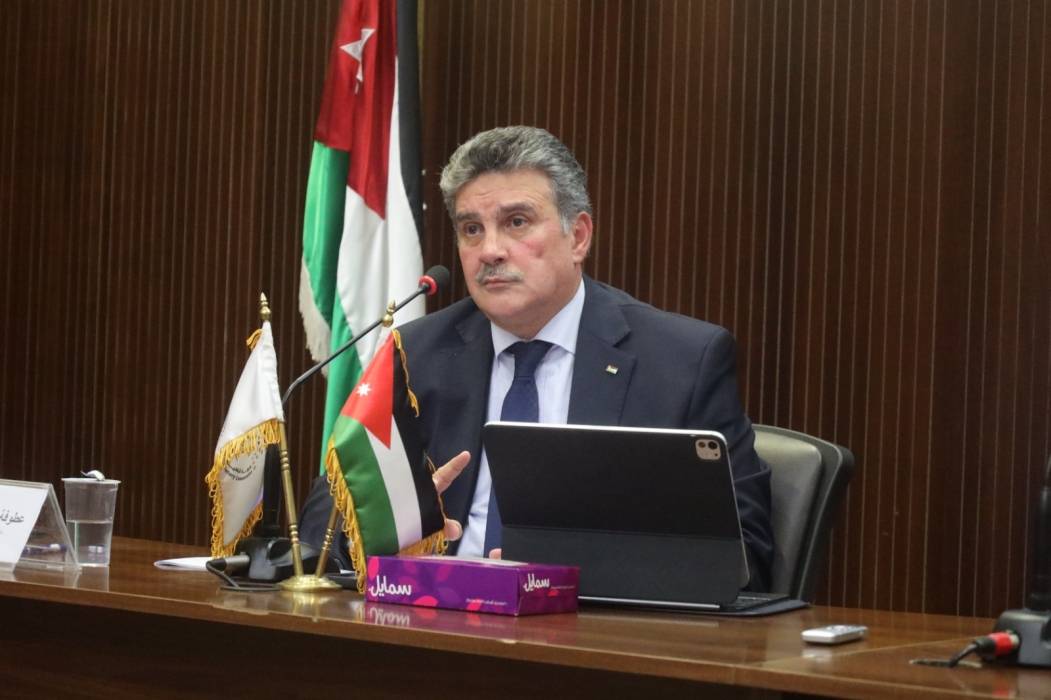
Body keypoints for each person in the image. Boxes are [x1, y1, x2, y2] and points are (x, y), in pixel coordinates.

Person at [301, 126, 774, 591]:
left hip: (592, 631)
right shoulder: (415, 354)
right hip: (439, 619)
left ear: (578, 237)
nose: (490, 251)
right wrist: (385, 526)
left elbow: (745, 555)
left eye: (517, 222)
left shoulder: (679, 363)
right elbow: (320, 530)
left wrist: (573, 570)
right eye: (471, 229)